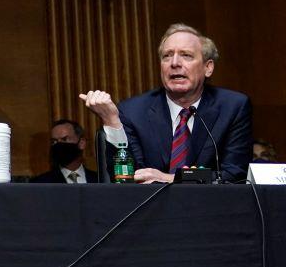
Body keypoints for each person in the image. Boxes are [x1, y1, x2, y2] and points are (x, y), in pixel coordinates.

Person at [80, 23, 252, 183]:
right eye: (167, 56)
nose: (175, 63)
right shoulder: (133, 111)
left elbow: (235, 175)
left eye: (186, 55)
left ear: (208, 67)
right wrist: (112, 122)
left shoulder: (232, 107)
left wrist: (171, 178)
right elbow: (127, 177)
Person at [31, 118, 100, 183]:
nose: (59, 145)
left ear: (81, 143)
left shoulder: (100, 180)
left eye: (64, 139)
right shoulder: (41, 183)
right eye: (54, 141)